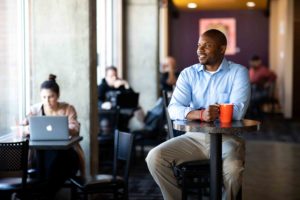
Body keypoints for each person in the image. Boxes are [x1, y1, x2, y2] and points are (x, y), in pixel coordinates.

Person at [146, 29, 250, 200]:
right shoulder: (188, 74)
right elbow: (173, 109)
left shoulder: (238, 72)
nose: (200, 50)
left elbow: (237, 112)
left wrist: (207, 113)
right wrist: (201, 114)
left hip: (227, 139)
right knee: (154, 157)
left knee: (233, 169)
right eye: (198, 45)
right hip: (193, 138)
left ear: (222, 48)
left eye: (207, 45)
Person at [23, 74, 85, 199]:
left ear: (57, 96)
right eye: (44, 97)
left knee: (56, 158)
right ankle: (47, 193)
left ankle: (45, 193)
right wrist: (27, 127)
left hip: (66, 155)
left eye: (51, 97)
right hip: (41, 156)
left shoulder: (68, 108)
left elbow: (75, 129)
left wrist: (63, 129)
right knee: (45, 158)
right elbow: (23, 128)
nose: (47, 101)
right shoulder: (34, 110)